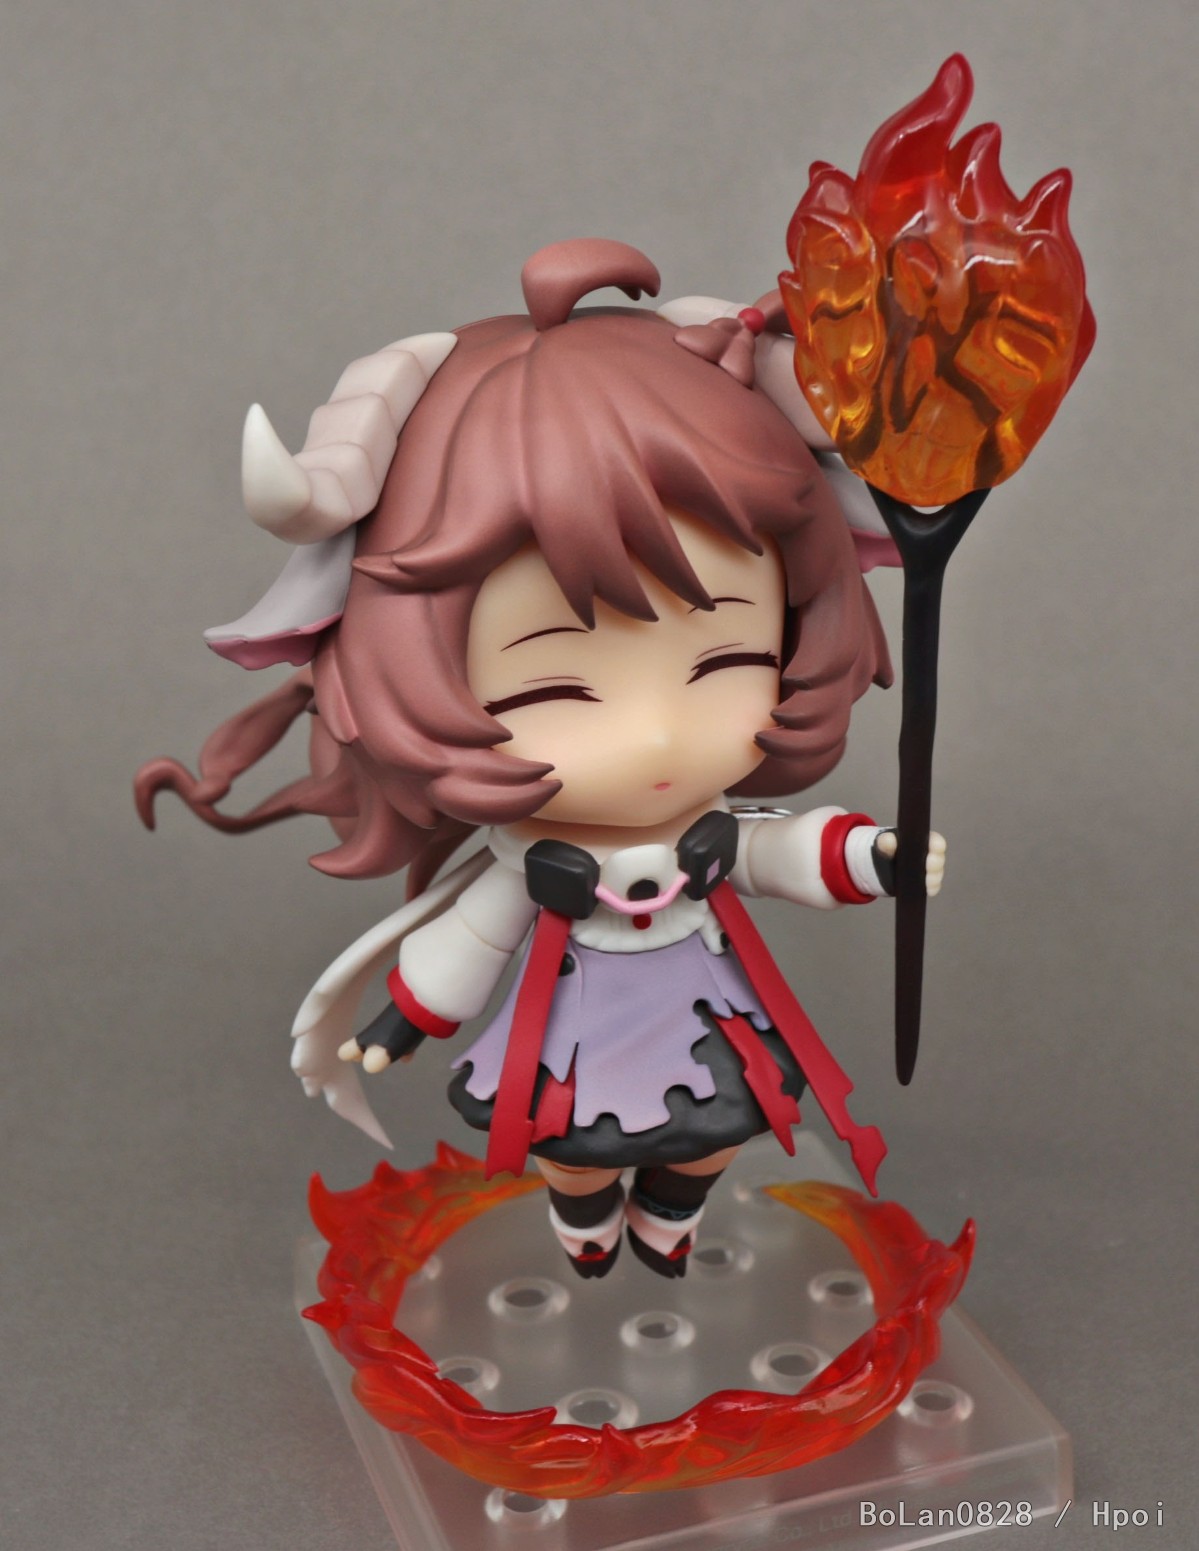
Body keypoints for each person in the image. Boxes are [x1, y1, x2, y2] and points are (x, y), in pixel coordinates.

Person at [136, 238, 945, 1280]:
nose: (656, 735)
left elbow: (770, 851)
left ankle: (671, 1212)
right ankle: (584, 1218)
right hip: (576, 1025)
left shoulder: (701, 827)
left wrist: (873, 857)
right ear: (413, 673)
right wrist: (404, 1020)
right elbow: (474, 935)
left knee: (726, 1123)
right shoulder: (533, 860)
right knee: (567, 1141)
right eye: (559, 690)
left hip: (704, 1010)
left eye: (723, 662)